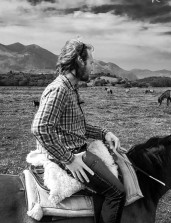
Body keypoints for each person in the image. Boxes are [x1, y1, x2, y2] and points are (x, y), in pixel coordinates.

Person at [31, 38, 125, 223]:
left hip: (75, 150)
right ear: (79, 62)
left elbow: (76, 127)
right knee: (117, 192)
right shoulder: (59, 90)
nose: (92, 68)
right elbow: (40, 128)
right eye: (90, 62)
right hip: (73, 155)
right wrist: (69, 159)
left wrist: (104, 133)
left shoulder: (70, 88)